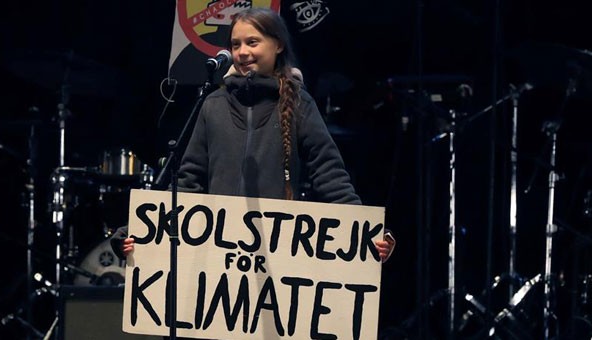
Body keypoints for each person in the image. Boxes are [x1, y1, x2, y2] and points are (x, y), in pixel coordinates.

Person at [111, 7, 394, 262]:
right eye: (236, 45)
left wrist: (368, 233)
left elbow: (329, 175)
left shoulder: (298, 103)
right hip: (218, 254)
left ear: (278, 45)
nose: (242, 52)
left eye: (252, 42)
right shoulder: (212, 105)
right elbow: (188, 183)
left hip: (276, 252)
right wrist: (138, 231)